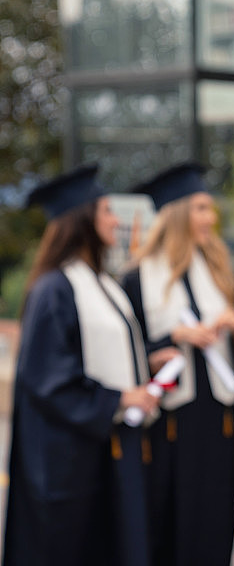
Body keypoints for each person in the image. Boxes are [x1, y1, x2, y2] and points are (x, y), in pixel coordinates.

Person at [2, 164, 160, 566]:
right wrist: (122, 397)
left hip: (107, 448)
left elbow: (105, 352)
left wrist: (148, 363)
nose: (115, 219)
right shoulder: (55, 289)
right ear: (83, 220)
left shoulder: (103, 283)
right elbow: (49, 380)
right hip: (70, 464)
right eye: (106, 210)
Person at [121, 162, 234, 566]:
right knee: (169, 528)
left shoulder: (218, 270)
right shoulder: (138, 278)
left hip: (219, 422)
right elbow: (128, 352)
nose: (210, 218)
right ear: (176, 215)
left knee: (216, 524)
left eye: (210, 208)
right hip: (170, 426)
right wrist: (171, 337)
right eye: (200, 208)